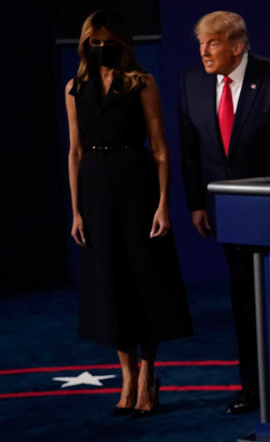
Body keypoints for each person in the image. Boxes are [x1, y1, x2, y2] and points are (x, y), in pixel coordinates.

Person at [178, 10, 270, 414]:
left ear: (236, 46)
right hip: (226, 214)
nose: (204, 51)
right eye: (200, 43)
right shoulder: (192, 82)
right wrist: (197, 204)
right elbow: (189, 151)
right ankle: (252, 389)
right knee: (243, 302)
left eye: (212, 43)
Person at [66, 9, 192, 419]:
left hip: (137, 188)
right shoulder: (75, 88)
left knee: (144, 281)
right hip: (96, 192)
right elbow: (75, 151)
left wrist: (162, 205)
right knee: (111, 283)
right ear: (85, 44)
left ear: (121, 42)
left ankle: (147, 375)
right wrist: (76, 212)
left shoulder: (141, 83)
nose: (100, 48)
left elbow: (159, 148)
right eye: (93, 42)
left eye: (107, 41)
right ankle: (125, 375)